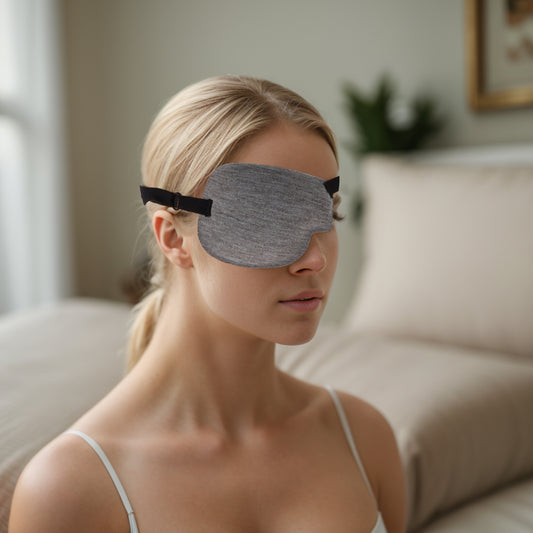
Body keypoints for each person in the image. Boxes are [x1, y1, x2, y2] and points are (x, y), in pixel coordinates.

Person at [9, 75, 407, 533]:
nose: (315, 258)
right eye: (267, 219)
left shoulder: (363, 438)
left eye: (327, 213)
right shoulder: (68, 491)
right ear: (173, 238)